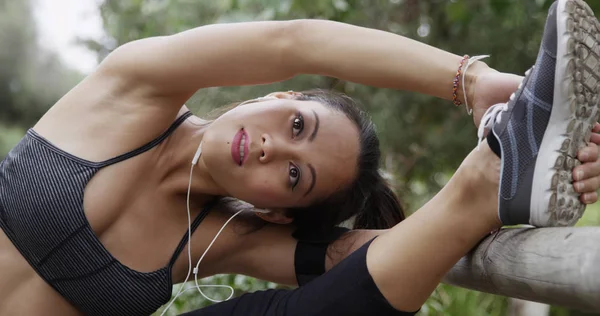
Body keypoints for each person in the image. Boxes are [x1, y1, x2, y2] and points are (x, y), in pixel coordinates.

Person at [0, 0, 598, 315]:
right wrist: (470, 79)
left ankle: (499, 171)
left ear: (278, 211)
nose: (271, 147)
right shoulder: (132, 86)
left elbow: (373, 262)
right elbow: (295, 41)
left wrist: (529, 185)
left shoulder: (221, 241)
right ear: (277, 95)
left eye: (293, 175)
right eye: (294, 125)